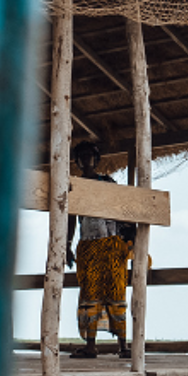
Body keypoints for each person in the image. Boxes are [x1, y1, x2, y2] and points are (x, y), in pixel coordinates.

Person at [65, 140, 134, 358]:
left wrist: (129, 242)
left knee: (117, 292)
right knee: (90, 295)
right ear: (77, 161)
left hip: (112, 244)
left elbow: (124, 211)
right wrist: (66, 245)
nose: (86, 159)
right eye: (82, 156)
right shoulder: (73, 186)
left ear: (95, 159)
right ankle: (90, 345)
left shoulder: (108, 182)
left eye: (90, 156)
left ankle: (123, 345)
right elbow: (70, 219)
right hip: (88, 246)